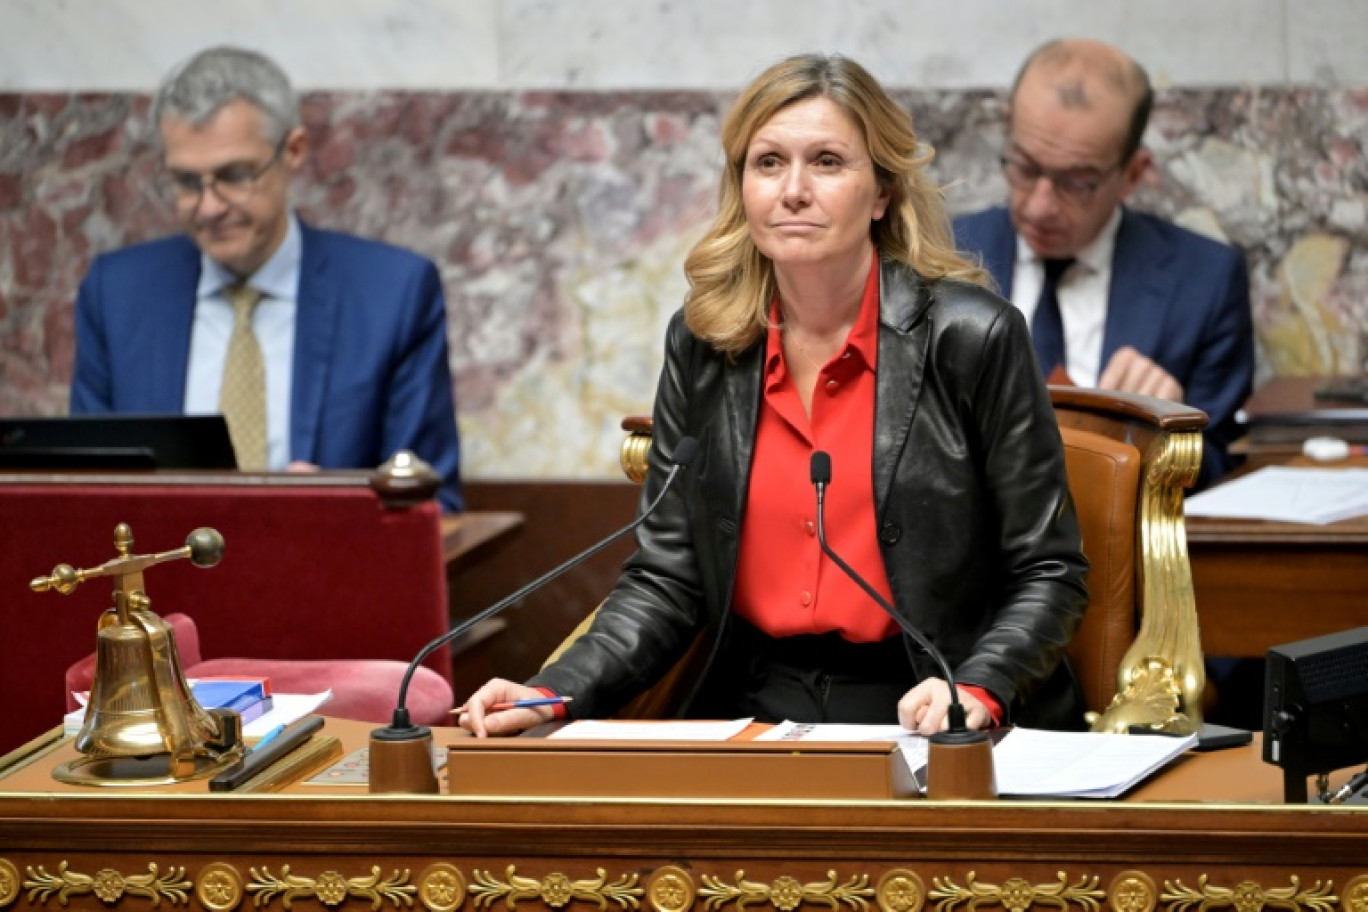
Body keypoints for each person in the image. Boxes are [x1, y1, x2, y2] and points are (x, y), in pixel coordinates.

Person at [459, 54, 1089, 738]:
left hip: (928, 702)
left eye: (826, 161)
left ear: (880, 192)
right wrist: (553, 692)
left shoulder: (971, 338)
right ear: (743, 189)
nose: (793, 190)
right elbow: (669, 579)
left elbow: (1049, 569)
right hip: (749, 705)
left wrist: (977, 686)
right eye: (768, 163)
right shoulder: (704, 344)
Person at [69, 46, 463, 511]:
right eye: (187, 182)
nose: (209, 207)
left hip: (324, 574)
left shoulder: (391, 294)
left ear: (293, 151)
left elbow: (435, 508)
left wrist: (341, 506)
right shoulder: (118, 294)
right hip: (160, 577)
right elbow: (84, 494)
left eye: (234, 176)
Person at [953, 39, 1253, 489]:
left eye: (1076, 183)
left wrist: (1168, 441)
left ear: (1133, 174)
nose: (1039, 206)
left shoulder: (1204, 280)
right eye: (1026, 168)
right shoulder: (941, 257)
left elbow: (1224, 469)